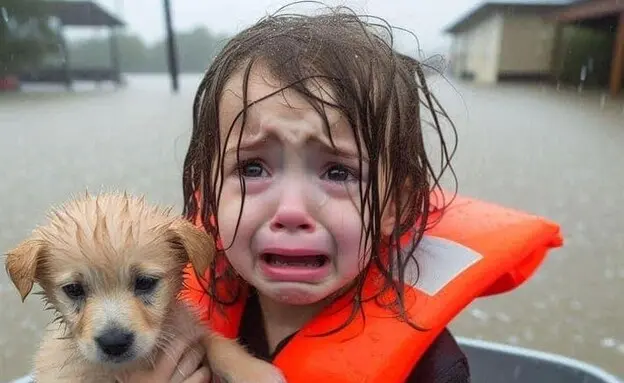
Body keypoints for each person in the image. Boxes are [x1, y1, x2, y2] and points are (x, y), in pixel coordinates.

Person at [120, 3, 562, 383]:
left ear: (397, 206)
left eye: (338, 172)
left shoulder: (433, 370)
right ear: (210, 196)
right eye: (252, 167)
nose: (291, 211)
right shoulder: (164, 326)